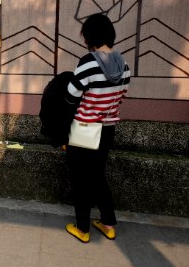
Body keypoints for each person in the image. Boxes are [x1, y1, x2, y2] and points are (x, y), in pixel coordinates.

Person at [64, 13, 130, 243]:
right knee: (98, 176)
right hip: (108, 128)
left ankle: (82, 228)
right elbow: (121, 96)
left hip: (84, 128)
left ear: (89, 36)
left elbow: (71, 95)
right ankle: (109, 223)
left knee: (81, 179)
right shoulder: (124, 63)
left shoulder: (88, 62)